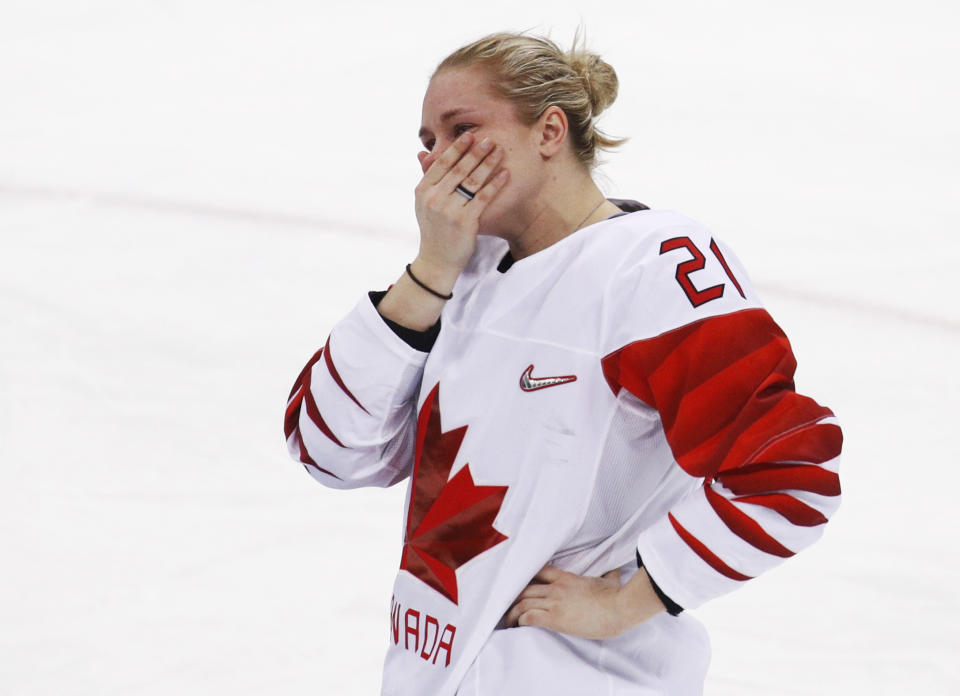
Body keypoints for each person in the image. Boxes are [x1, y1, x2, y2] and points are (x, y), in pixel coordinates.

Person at [284, 32, 842, 696]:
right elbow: (330, 450)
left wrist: (632, 599)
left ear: (549, 131)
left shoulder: (651, 265)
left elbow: (790, 468)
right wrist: (430, 271)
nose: (438, 160)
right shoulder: (462, 273)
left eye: (462, 129)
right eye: (429, 141)